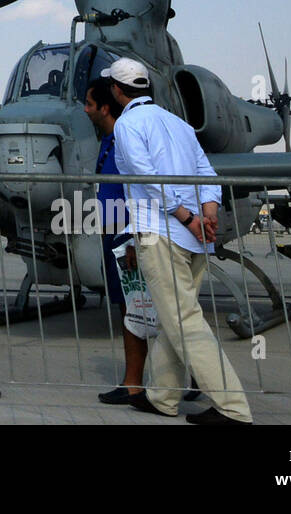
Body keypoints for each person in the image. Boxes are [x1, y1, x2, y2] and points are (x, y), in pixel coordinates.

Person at [107, 57, 253, 425]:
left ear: (117, 90)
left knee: (183, 320)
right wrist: (208, 214)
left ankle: (233, 408)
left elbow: (146, 176)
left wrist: (187, 217)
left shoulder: (128, 124)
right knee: (176, 317)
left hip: (162, 231)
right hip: (195, 237)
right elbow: (206, 171)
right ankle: (163, 397)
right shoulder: (178, 123)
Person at [85, 76, 150, 405]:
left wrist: (136, 237)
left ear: (105, 107)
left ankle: (139, 382)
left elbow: (142, 188)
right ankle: (134, 381)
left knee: (140, 309)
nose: (86, 110)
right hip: (115, 234)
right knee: (131, 311)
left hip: (130, 235)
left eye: (90, 104)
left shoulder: (125, 139)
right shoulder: (108, 140)